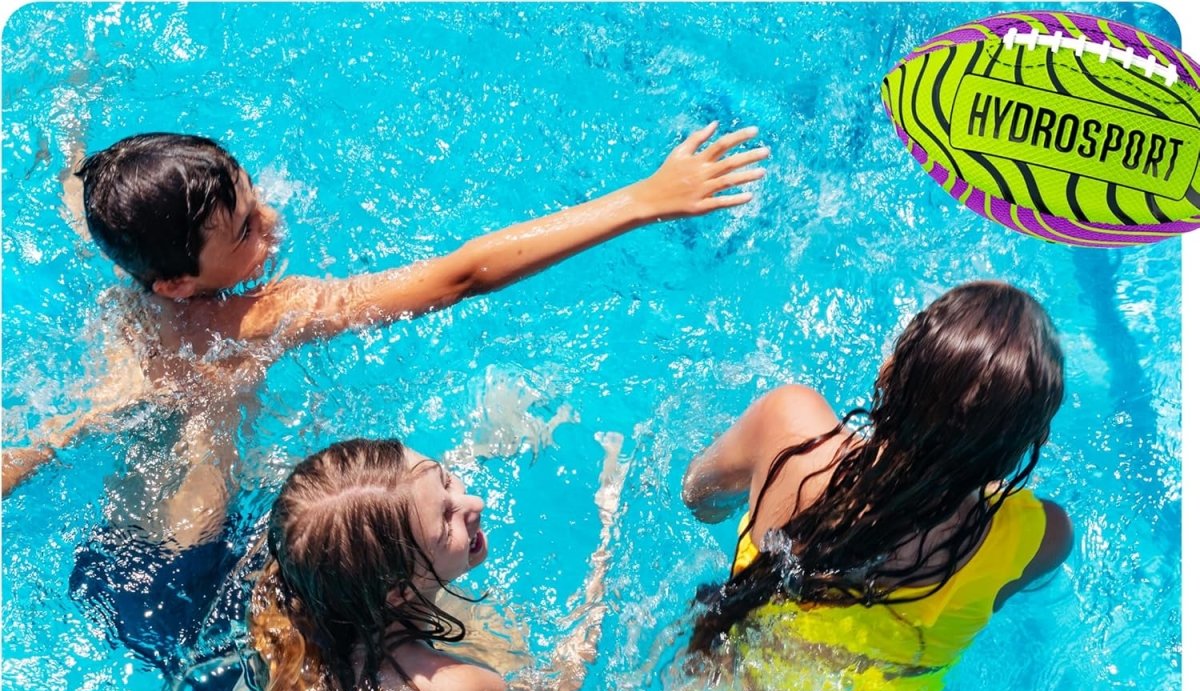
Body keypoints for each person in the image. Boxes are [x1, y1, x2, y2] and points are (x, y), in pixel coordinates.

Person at [2, 124, 767, 510]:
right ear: (175, 283)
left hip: (127, 445)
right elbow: (457, 276)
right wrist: (641, 199)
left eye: (249, 191)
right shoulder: (266, 314)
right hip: (195, 514)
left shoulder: (118, 248)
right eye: (245, 231)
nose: (273, 218)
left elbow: (56, 430)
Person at [679, 280, 1073, 691]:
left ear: (889, 371)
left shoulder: (790, 429)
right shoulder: (1039, 537)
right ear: (1032, 444)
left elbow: (699, 497)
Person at [240, 433, 627, 691]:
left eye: (446, 479)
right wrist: (609, 541)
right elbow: (564, 680)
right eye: (447, 522)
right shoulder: (449, 687)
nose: (474, 503)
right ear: (397, 591)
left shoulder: (294, 582)